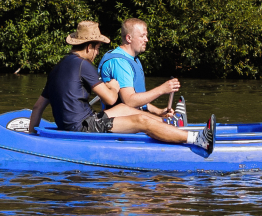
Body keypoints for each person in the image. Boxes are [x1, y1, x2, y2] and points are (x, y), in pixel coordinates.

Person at [29, 21, 213, 153]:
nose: (97, 53)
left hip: (79, 123)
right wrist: (113, 86)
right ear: (88, 47)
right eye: (97, 48)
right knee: (141, 121)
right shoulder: (83, 65)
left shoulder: (57, 68)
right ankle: (198, 139)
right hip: (84, 127)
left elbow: (37, 108)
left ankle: (167, 125)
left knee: (124, 108)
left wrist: (30, 140)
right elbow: (110, 98)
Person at [97, 18, 186, 125]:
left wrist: (158, 111)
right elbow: (129, 101)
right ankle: (172, 123)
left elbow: (137, 98)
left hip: (133, 118)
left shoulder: (132, 59)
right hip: (117, 122)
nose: (146, 39)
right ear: (129, 38)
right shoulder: (119, 62)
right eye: (142, 36)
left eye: (146, 36)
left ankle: (170, 121)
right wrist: (162, 89)